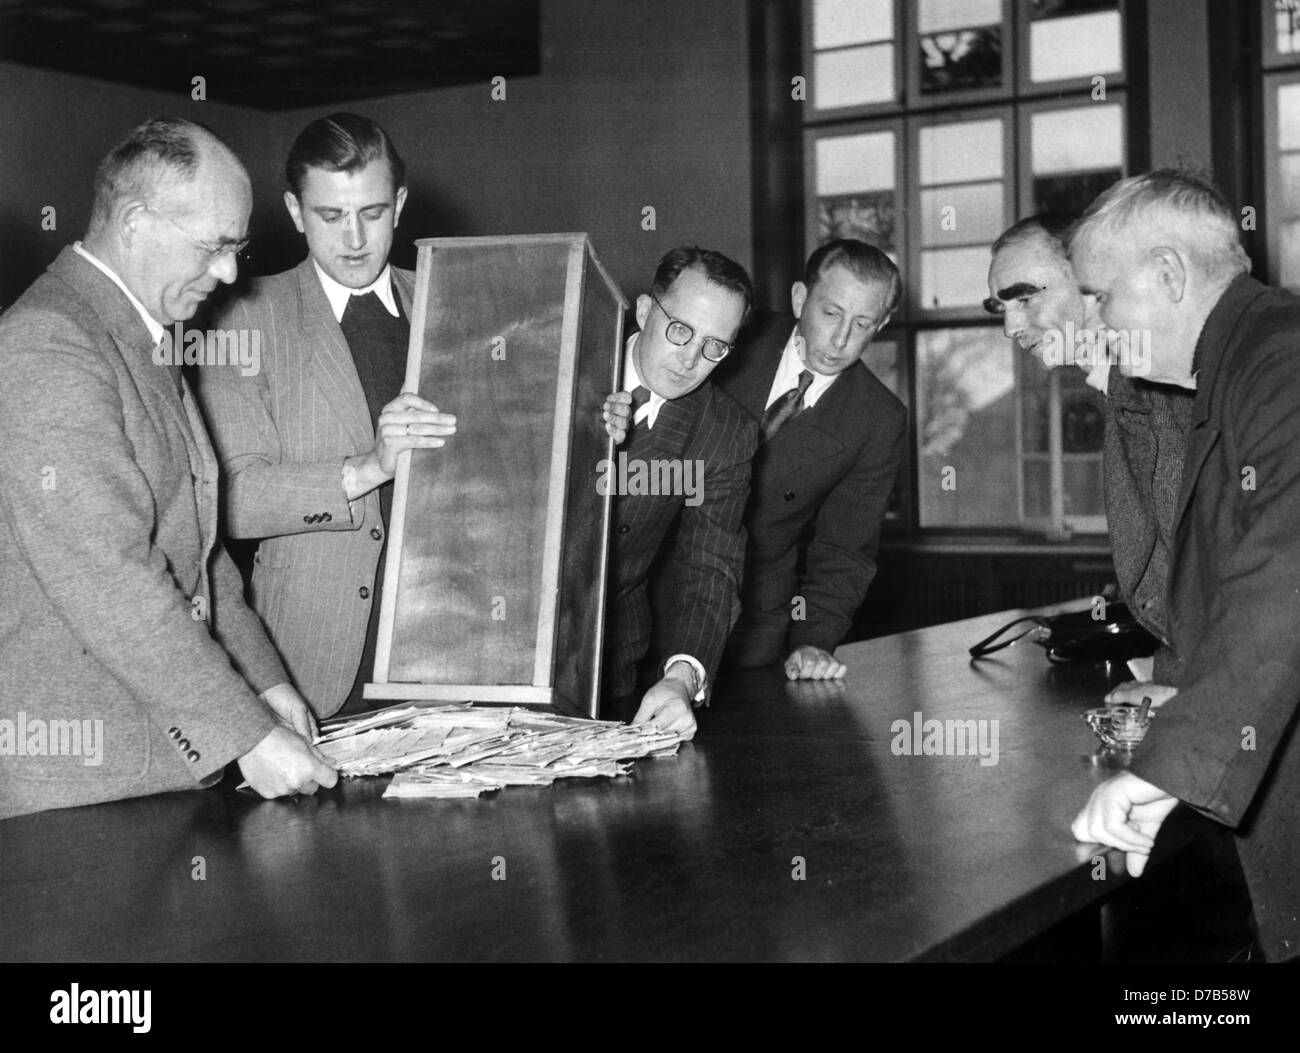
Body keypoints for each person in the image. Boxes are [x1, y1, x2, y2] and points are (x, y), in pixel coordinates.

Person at [197, 114, 628, 719]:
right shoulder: (241, 318)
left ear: (399, 204)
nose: (353, 238)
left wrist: (588, 422)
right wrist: (368, 467)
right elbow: (232, 501)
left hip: (463, 647)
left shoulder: (462, 297)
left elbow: (519, 455)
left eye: (372, 213)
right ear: (295, 211)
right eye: (330, 216)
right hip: (316, 664)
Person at [0, 117, 336, 820]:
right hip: (80, 786)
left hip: (155, 766)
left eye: (237, 247)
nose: (229, 272)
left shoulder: (142, 334)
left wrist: (268, 682)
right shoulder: (45, 344)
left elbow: (195, 548)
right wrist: (245, 733)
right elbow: (109, 573)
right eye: (214, 246)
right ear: (132, 221)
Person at [1068, 169, 1300, 963]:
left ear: (1168, 274)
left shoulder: (1281, 358)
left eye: (1099, 296)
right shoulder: (1243, 361)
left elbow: (1287, 569)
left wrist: (1170, 765)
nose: (1092, 323)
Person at [986, 214, 1195, 692]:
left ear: (1087, 279)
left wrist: (1177, 690)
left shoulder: (1160, 383)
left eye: (1025, 296)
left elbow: (1210, 559)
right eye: (1000, 307)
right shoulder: (1120, 383)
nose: (1011, 327)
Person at [714, 239, 905, 680]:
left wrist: (813, 641)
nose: (840, 340)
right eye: (831, 313)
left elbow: (845, 549)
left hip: (749, 623)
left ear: (883, 324)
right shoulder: (730, 338)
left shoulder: (877, 418)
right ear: (800, 298)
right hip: (645, 603)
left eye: (862, 323)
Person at [606, 246, 759, 738]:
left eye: (716, 346)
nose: (691, 359)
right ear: (646, 310)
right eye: (681, 331)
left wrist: (681, 677)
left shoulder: (724, 432)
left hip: (610, 661)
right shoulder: (569, 359)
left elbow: (711, 565)